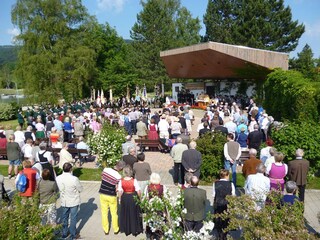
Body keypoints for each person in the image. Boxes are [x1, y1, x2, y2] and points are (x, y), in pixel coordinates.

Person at [56, 162, 83, 239]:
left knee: (64, 217)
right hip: (73, 200)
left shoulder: (58, 178)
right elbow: (80, 189)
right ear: (71, 169)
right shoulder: (74, 179)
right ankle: (73, 234)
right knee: (73, 218)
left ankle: (64, 232)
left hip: (64, 200)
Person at [99, 161, 126, 235]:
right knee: (114, 213)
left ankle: (106, 230)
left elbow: (102, 176)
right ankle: (116, 229)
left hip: (102, 193)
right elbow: (119, 189)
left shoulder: (106, 169)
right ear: (121, 168)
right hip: (111, 195)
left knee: (104, 213)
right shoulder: (118, 177)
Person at [118, 165, 143, 236]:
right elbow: (138, 191)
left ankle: (127, 228)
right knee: (133, 213)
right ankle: (134, 228)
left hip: (125, 197)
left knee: (126, 213)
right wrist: (140, 199)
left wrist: (120, 199)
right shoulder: (134, 181)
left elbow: (120, 191)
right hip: (133, 197)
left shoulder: (121, 181)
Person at [213, 169, 236, 240]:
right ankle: (225, 235)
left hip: (218, 203)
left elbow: (214, 195)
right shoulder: (231, 184)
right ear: (227, 175)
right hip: (227, 204)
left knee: (218, 219)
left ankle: (219, 234)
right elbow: (233, 195)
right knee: (226, 220)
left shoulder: (215, 183)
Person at [144, 173, 168, 240]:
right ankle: (159, 235)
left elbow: (145, 198)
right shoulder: (163, 187)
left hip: (151, 208)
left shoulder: (148, 187)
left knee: (150, 221)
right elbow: (165, 198)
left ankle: (150, 235)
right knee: (160, 221)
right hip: (160, 208)